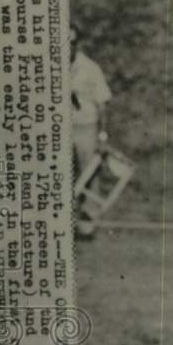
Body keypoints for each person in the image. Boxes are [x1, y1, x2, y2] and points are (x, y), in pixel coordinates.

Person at [69, 23, 112, 237]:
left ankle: (88, 222)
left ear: (77, 45)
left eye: (71, 43)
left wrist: (102, 135)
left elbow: (103, 104)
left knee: (89, 173)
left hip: (86, 127)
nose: (66, 48)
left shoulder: (90, 68)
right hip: (60, 129)